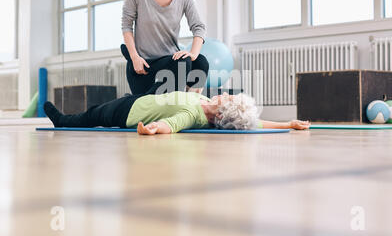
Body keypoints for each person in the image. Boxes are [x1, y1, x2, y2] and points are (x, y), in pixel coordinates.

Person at [121, 0, 208, 95]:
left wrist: (193, 53)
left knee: (200, 61)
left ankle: (186, 103)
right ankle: (165, 99)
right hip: (144, 66)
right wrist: (134, 57)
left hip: (171, 62)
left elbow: (198, 27)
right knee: (183, 63)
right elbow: (127, 25)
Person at [43, 92, 310, 135]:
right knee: (93, 112)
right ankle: (65, 117)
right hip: (140, 100)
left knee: (90, 115)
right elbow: (252, 123)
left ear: (221, 110)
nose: (226, 93)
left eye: (229, 97)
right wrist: (287, 123)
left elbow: (171, 124)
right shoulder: (205, 102)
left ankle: (61, 119)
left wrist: (153, 130)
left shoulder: (193, 113)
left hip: (126, 112)